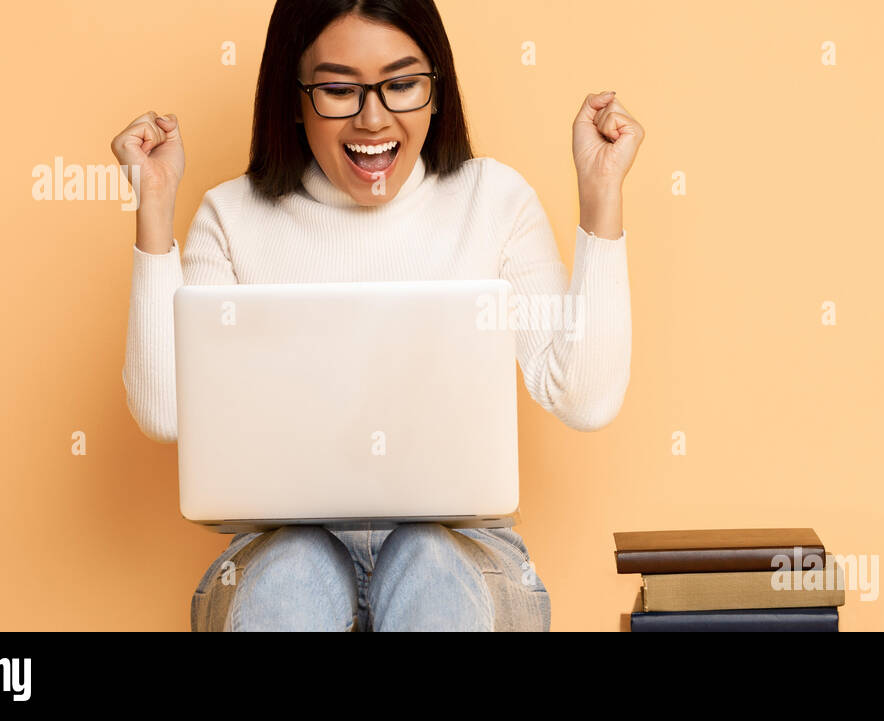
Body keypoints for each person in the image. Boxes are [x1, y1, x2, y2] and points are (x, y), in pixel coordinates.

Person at [111, 0, 644, 631]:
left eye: (402, 84)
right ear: (295, 97)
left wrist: (601, 194)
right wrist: (152, 210)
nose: (373, 118)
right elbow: (167, 413)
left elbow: (584, 399)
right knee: (291, 570)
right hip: (283, 551)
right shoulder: (232, 218)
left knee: (427, 561)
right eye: (339, 89)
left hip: (464, 556)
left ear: (437, 90)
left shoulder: (493, 201)